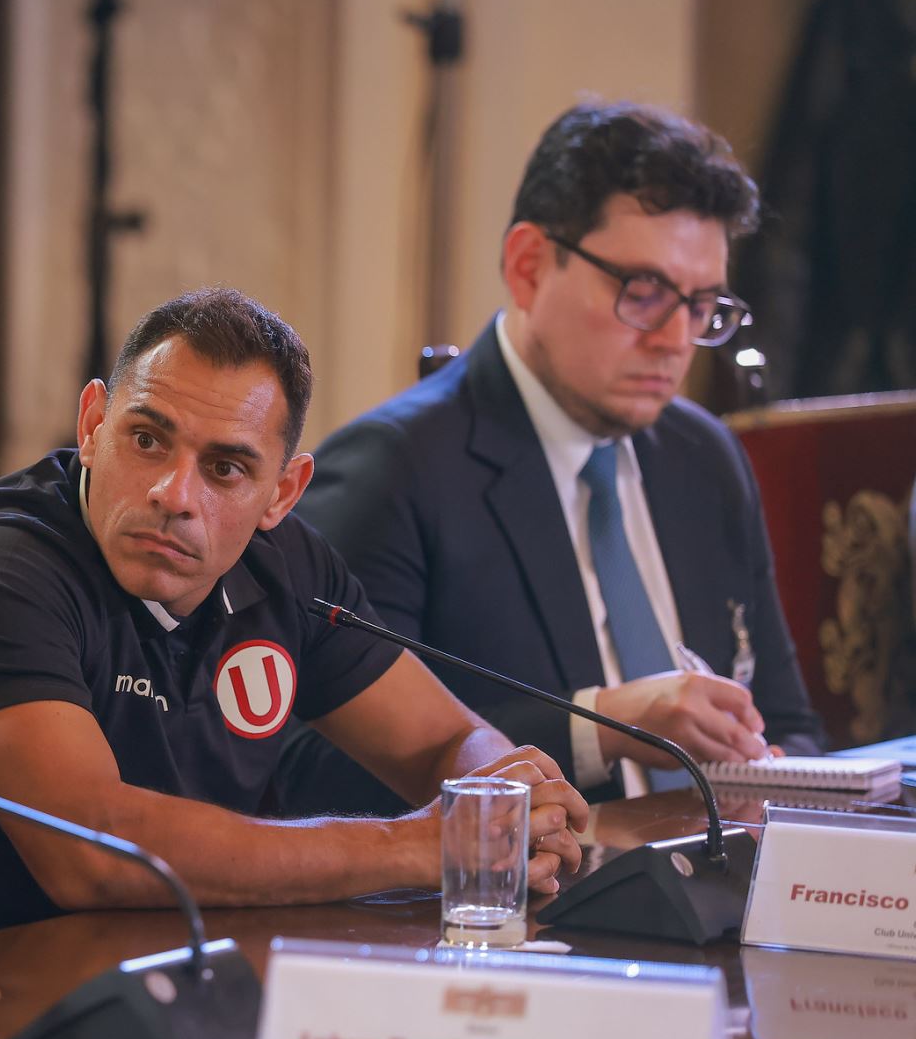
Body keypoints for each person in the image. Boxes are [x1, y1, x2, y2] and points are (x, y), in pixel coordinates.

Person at [0, 288, 588, 932]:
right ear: (92, 426)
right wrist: (419, 846)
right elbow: (91, 850)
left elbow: (446, 740)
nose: (174, 495)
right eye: (147, 440)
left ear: (281, 494)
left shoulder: (289, 568)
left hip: (172, 973)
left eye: (225, 468)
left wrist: (503, 803)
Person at [290, 101, 822, 810]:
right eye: (644, 292)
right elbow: (310, 768)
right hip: (542, 876)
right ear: (529, 267)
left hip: (723, 862)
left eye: (702, 306)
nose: (675, 341)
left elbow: (789, 722)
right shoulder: (392, 470)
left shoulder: (705, 457)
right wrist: (601, 724)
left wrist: (775, 768)